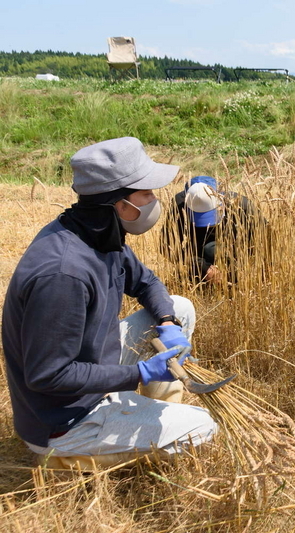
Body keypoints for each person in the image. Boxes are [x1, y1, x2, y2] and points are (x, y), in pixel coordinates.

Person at [2, 137, 217, 468]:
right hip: (64, 422)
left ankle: (152, 412)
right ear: (121, 204)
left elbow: (147, 282)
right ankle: (69, 460)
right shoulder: (63, 274)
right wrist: (138, 374)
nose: (154, 199)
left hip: (92, 372)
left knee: (179, 307)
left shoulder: (99, 234)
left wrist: (168, 323)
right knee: (202, 427)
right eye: (146, 192)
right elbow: (48, 376)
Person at [165, 175, 265, 285]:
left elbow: (266, 237)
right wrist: (201, 267)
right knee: (209, 250)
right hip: (199, 252)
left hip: (238, 250)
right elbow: (167, 245)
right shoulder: (180, 204)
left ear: (220, 198)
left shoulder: (241, 205)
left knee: (213, 250)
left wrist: (249, 267)